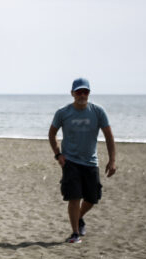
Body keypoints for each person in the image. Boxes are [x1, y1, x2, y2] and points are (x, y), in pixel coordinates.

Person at [48, 77, 117, 244]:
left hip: (91, 162)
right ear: (72, 93)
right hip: (70, 161)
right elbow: (52, 134)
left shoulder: (98, 111)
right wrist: (58, 154)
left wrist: (112, 160)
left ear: (89, 93)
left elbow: (108, 135)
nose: (82, 95)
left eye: (85, 92)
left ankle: (78, 217)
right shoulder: (63, 113)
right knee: (74, 197)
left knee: (92, 198)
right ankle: (75, 233)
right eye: (79, 92)